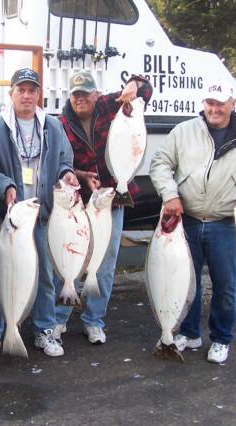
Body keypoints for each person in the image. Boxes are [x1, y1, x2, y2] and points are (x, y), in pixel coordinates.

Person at [149, 80, 236, 363]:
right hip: (186, 221)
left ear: (233, 104)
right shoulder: (183, 131)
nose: (214, 109)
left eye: (220, 103)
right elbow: (160, 164)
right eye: (209, 103)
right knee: (185, 282)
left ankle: (221, 338)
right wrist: (170, 195)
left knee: (226, 285)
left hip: (226, 223)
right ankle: (189, 333)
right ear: (203, 104)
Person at [0, 68, 79, 361]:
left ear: (38, 95)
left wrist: (68, 175)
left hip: (43, 215)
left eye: (32, 90)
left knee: (44, 276)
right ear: (11, 94)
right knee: (1, 275)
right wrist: (6, 186)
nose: (26, 95)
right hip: (8, 216)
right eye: (21, 89)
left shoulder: (54, 127)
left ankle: (44, 330)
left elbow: (64, 161)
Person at [54, 71, 153, 345]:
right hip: (78, 202)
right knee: (68, 259)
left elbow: (146, 91)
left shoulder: (113, 105)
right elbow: (56, 161)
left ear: (96, 94)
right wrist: (80, 174)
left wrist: (135, 84)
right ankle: (58, 319)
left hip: (113, 197)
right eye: (76, 94)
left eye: (86, 93)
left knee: (104, 264)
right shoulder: (60, 124)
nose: (81, 99)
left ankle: (94, 320)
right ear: (69, 97)